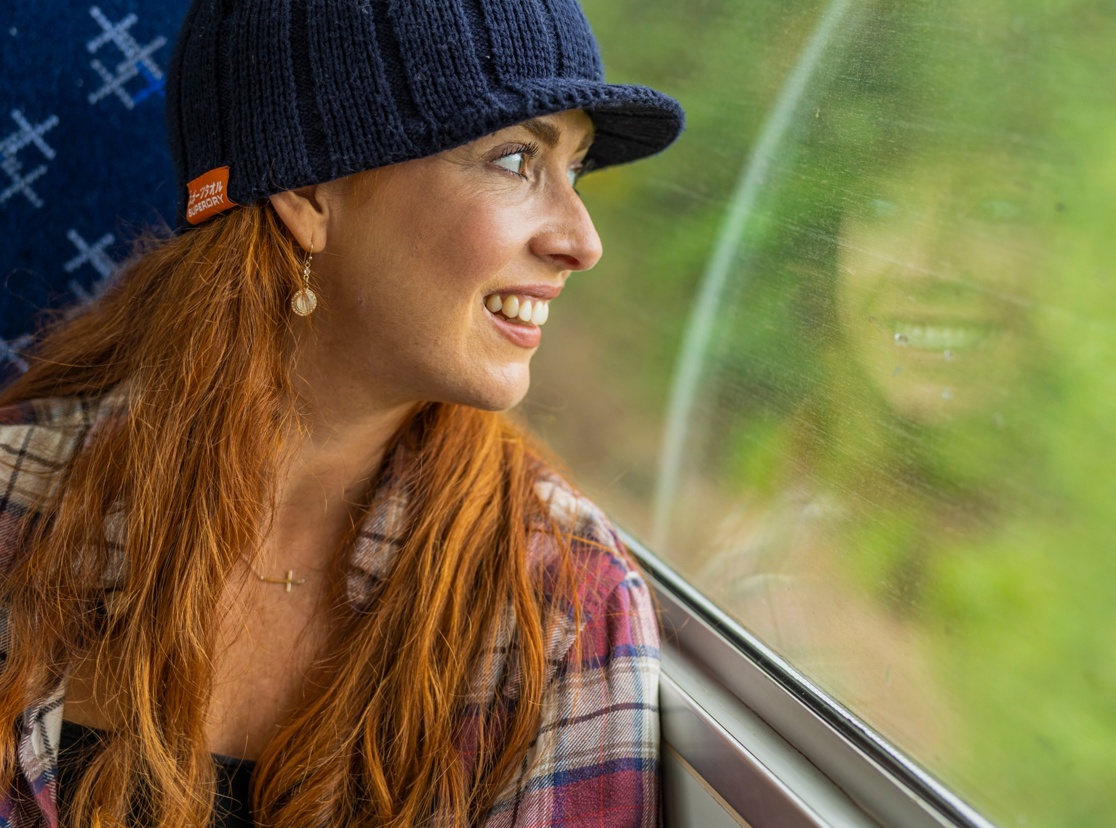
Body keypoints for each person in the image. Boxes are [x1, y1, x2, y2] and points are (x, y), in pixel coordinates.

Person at [0, 0, 682, 825]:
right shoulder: (15, 505)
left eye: (574, 169)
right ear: (307, 192)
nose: (583, 240)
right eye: (514, 158)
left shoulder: (562, 607)